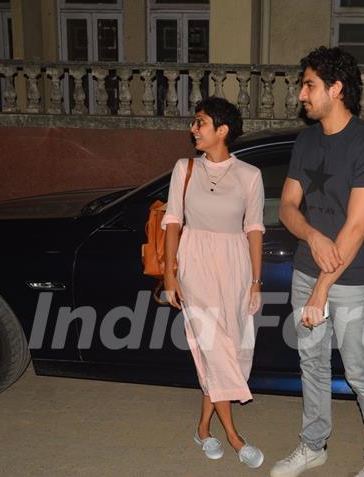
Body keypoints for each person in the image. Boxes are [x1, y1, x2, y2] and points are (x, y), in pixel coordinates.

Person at [271, 47, 364, 477]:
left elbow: (357, 229)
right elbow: (287, 206)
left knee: (360, 370)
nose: (301, 94)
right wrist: (311, 233)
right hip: (306, 268)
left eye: (309, 84)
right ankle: (313, 445)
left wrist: (322, 289)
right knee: (312, 363)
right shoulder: (306, 141)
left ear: (335, 88)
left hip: (350, 278)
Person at [162, 96, 265, 469]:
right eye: (195, 121)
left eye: (200, 122)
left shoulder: (249, 176)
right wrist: (170, 275)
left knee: (228, 351)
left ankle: (203, 428)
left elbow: (254, 229)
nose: (194, 128)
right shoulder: (184, 168)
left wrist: (256, 281)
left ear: (222, 130)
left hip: (236, 265)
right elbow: (173, 221)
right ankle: (236, 438)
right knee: (214, 346)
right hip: (195, 262)